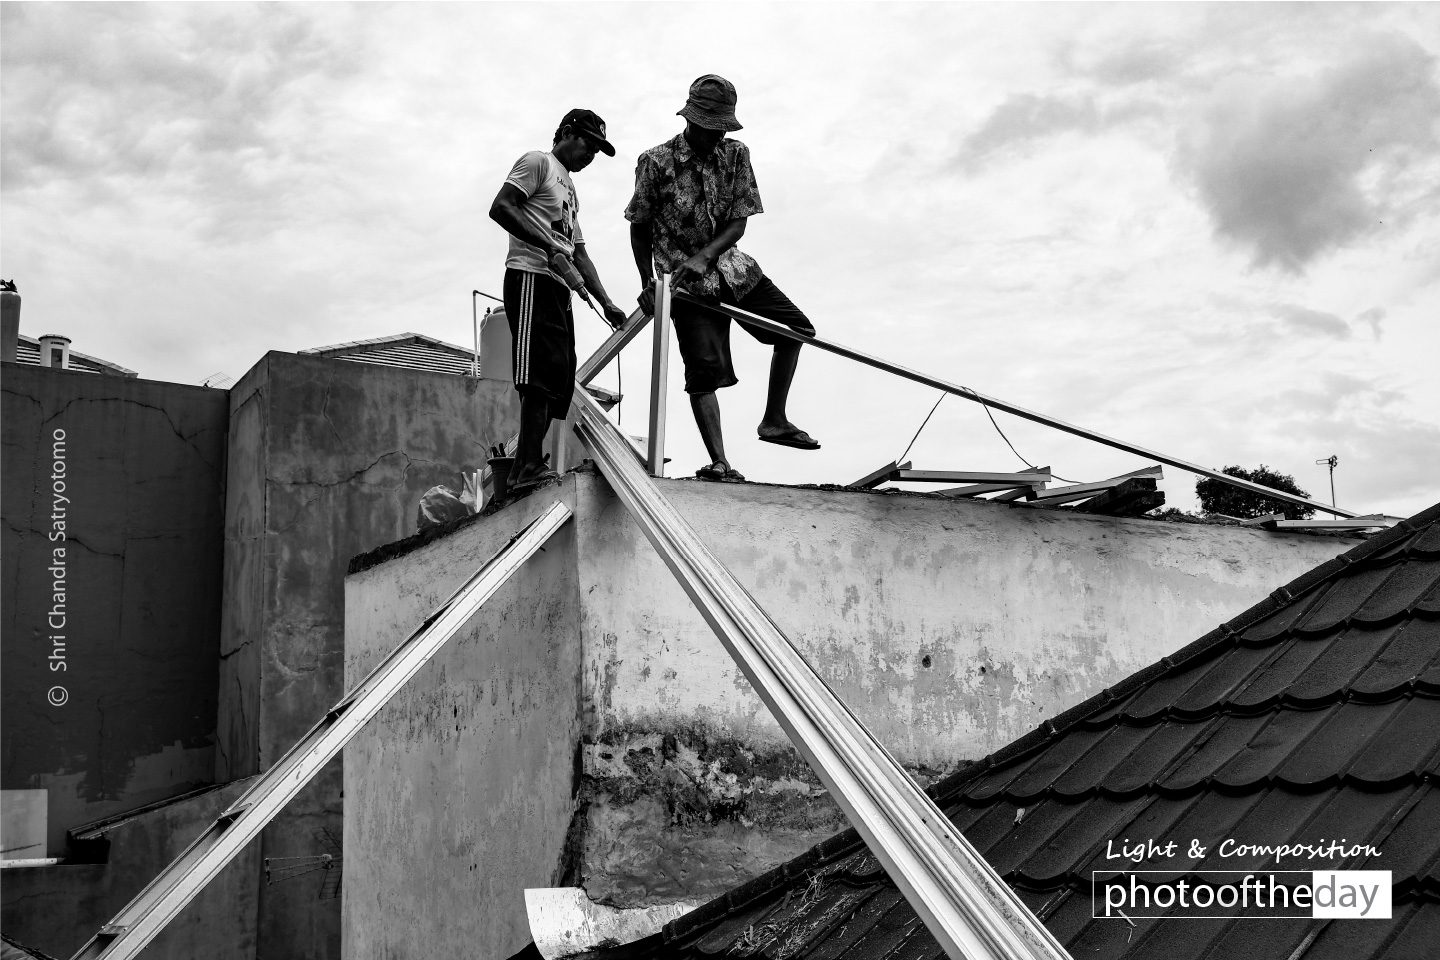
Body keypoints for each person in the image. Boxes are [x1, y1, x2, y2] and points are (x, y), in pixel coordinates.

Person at [625, 75, 819, 483]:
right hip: (684, 285)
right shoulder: (656, 161)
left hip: (733, 269)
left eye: (722, 129)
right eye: (711, 128)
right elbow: (639, 226)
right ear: (691, 120)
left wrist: (706, 255)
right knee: (703, 372)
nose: (718, 136)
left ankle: (775, 419)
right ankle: (721, 462)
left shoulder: (735, 154)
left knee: (797, 329)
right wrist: (649, 281)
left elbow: (738, 221)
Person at [489, 108, 629, 493]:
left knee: (559, 375)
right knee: (537, 374)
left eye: (599, 151)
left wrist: (606, 301)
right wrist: (547, 244)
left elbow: (579, 253)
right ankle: (529, 463)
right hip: (531, 277)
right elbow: (501, 207)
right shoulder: (539, 163)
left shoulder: (570, 189)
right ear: (567, 132)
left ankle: (521, 468)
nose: (592, 156)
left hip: (559, 287)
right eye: (590, 145)